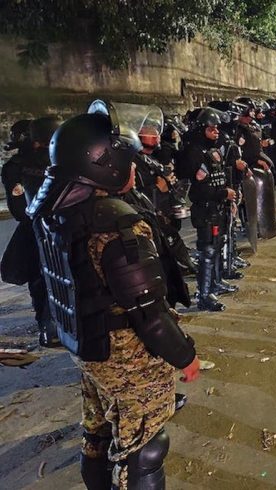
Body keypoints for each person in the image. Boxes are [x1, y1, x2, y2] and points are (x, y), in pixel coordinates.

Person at [26, 105, 200, 490]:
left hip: (87, 346)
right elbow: (150, 314)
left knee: (98, 433)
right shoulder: (117, 224)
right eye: (126, 160)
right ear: (103, 164)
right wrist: (185, 356)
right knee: (145, 448)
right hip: (126, 356)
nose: (133, 168)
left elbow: (21, 269)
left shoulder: (58, 209)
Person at [0, 118, 61, 346]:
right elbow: (19, 208)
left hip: (40, 229)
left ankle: (49, 326)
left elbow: (18, 210)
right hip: (48, 228)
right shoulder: (58, 161)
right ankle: (51, 326)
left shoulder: (17, 165)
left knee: (42, 279)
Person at [179, 107, 237, 312]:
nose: (216, 132)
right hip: (205, 210)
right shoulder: (195, 153)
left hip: (218, 208)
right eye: (212, 129)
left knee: (217, 247)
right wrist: (224, 194)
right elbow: (201, 190)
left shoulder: (214, 151)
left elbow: (220, 177)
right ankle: (204, 295)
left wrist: (229, 199)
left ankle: (215, 283)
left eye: (217, 129)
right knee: (207, 252)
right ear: (202, 129)